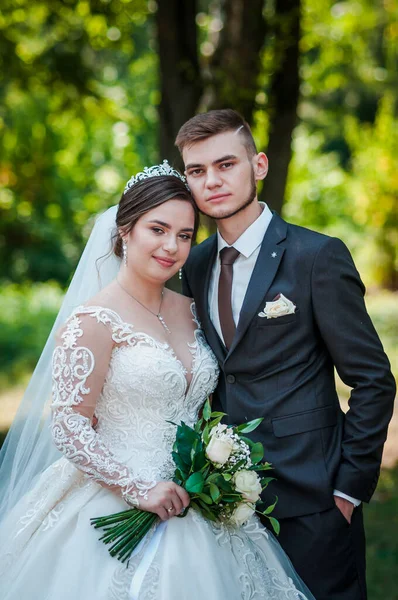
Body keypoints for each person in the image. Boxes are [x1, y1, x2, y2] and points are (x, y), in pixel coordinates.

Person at [0, 161, 314, 600]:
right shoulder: (93, 321)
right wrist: (137, 488)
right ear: (125, 230)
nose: (172, 247)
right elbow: (68, 425)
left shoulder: (192, 310)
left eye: (185, 235)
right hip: (115, 494)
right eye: (158, 229)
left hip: (196, 494)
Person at [177, 109, 396, 600]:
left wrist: (347, 490)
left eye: (226, 164)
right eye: (197, 171)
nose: (211, 181)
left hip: (314, 497)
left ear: (259, 165)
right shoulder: (191, 265)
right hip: (223, 503)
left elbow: (373, 380)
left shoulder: (316, 256)